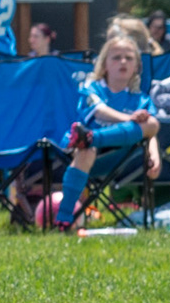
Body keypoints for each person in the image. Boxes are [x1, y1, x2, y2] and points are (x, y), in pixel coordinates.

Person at [53, 33, 161, 229]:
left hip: (123, 157)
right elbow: (99, 111)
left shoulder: (141, 99)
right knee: (86, 150)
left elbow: (150, 133)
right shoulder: (91, 88)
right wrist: (129, 118)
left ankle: (92, 138)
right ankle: (65, 215)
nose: (123, 62)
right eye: (116, 57)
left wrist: (154, 155)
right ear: (104, 65)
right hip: (86, 155)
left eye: (129, 58)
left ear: (137, 67)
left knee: (152, 123)